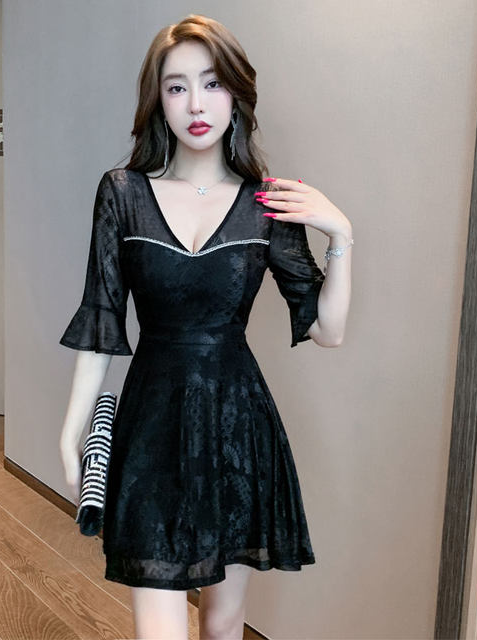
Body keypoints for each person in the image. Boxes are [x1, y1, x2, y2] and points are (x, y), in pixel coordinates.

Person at [59, 13, 352, 640]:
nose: (196, 103)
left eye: (212, 83)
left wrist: (341, 235)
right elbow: (103, 316)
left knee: (222, 624)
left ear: (237, 93)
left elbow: (327, 330)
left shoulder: (266, 205)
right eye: (177, 86)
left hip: (237, 428)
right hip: (150, 427)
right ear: (157, 101)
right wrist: (71, 429)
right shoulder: (122, 194)